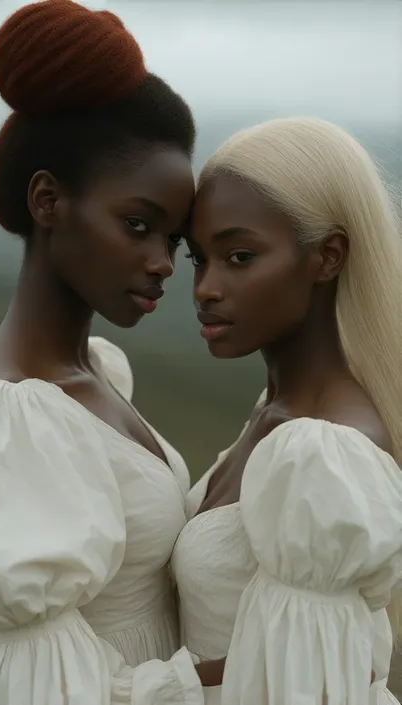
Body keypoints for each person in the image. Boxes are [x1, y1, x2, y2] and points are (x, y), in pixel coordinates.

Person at [0, 1, 219, 703]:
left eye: (173, 239)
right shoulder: (14, 422)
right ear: (49, 201)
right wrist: (244, 666)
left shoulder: (97, 370)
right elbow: (38, 688)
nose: (162, 263)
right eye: (138, 224)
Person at [172, 116, 402, 705]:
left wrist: (114, 690)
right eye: (198, 258)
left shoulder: (331, 450)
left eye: (240, 256)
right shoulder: (276, 413)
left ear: (327, 257)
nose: (204, 287)